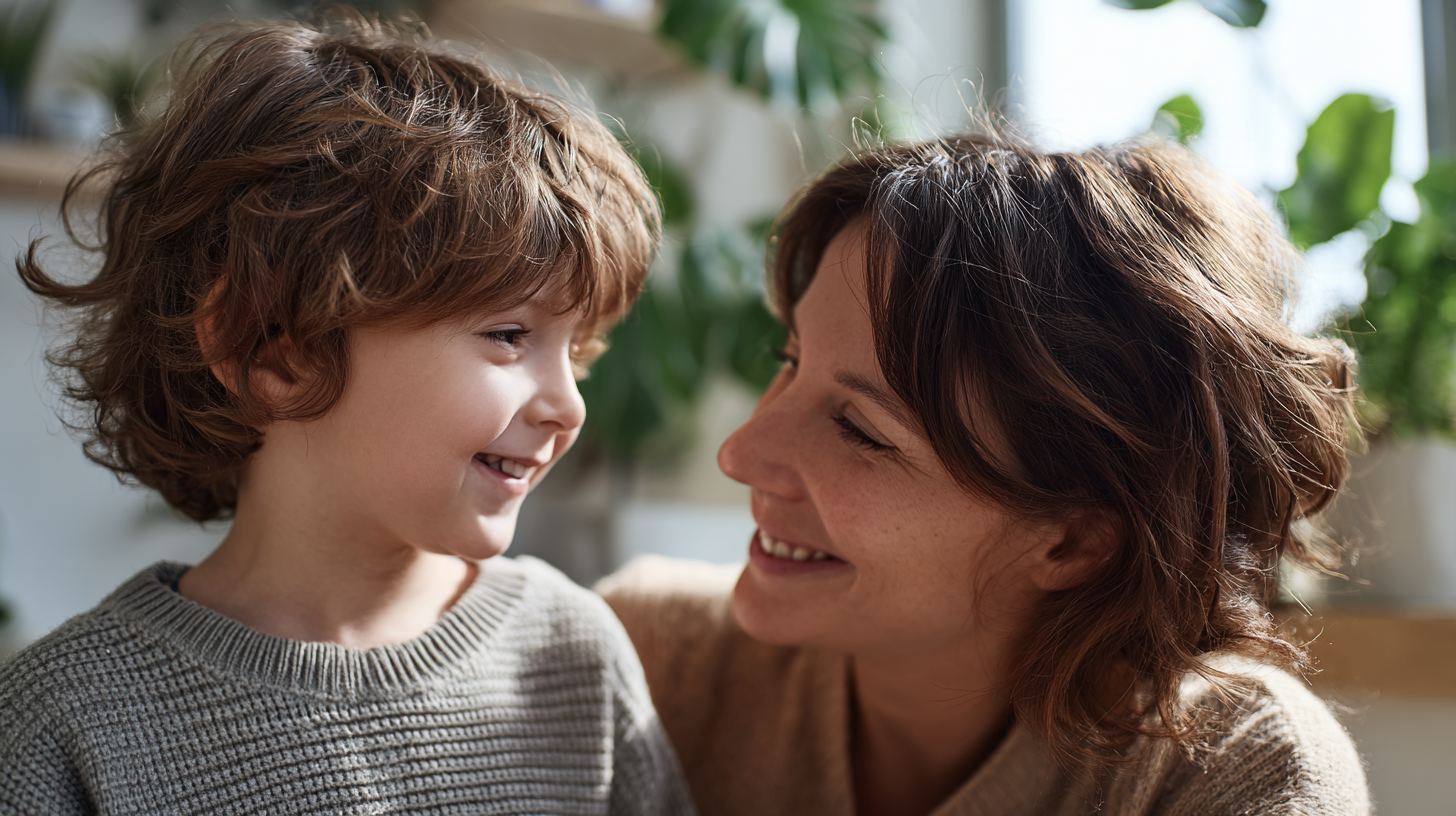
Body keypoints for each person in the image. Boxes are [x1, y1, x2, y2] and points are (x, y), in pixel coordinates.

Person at [1, 11, 690, 815]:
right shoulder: (67, 721)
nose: (567, 406)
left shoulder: (575, 658)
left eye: (574, 353)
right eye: (508, 336)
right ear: (274, 352)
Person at [600, 134, 1370, 816]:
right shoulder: (637, 657)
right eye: (789, 361)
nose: (740, 452)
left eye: (857, 429)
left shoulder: (1231, 772)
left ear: (1074, 541)